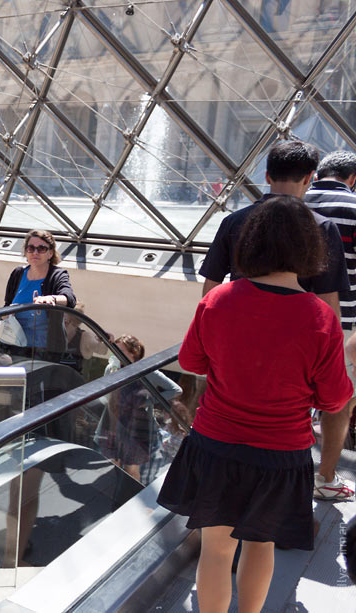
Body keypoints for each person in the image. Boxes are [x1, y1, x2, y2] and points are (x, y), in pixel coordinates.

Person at [158, 195, 352, 613]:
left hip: (216, 444)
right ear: (309, 251)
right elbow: (336, 397)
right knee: (261, 545)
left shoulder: (219, 300)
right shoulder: (320, 318)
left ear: (252, 243)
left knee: (216, 549)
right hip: (281, 454)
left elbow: (192, 361)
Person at [199, 140, 353, 504]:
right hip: (293, 354)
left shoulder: (235, 221)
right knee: (283, 430)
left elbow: (208, 290)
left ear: (266, 175)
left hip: (236, 346)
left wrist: (213, 335)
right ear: (309, 178)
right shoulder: (321, 227)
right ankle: (306, 487)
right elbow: (330, 304)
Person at [304, 150, 356, 500]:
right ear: (352, 178)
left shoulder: (292, 206)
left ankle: (283, 471)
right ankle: (324, 479)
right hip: (344, 324)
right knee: (339, 401)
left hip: (290, 315)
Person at [95, 335, 181, 481]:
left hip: (136, 427)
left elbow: (175, 390)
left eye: (120, 350)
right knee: (112, 464)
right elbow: (106, 393)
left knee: (131, 469)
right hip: (113, 423)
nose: (116, 353)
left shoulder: (146, 371)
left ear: (133, 353)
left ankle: (130, 496)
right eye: (115, 349)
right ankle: (114, 496)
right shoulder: (112, 368)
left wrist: (146, 402)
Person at [1, 229, 76, 360]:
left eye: (41, 248)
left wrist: (51, 298)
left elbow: (69, 298)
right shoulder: (18, 273)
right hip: (15, 347)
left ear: (50, 253)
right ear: (25, 252)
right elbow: (6, 306)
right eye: (31, 248)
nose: (35, 252)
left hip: (46, 353)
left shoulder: (57, 275)